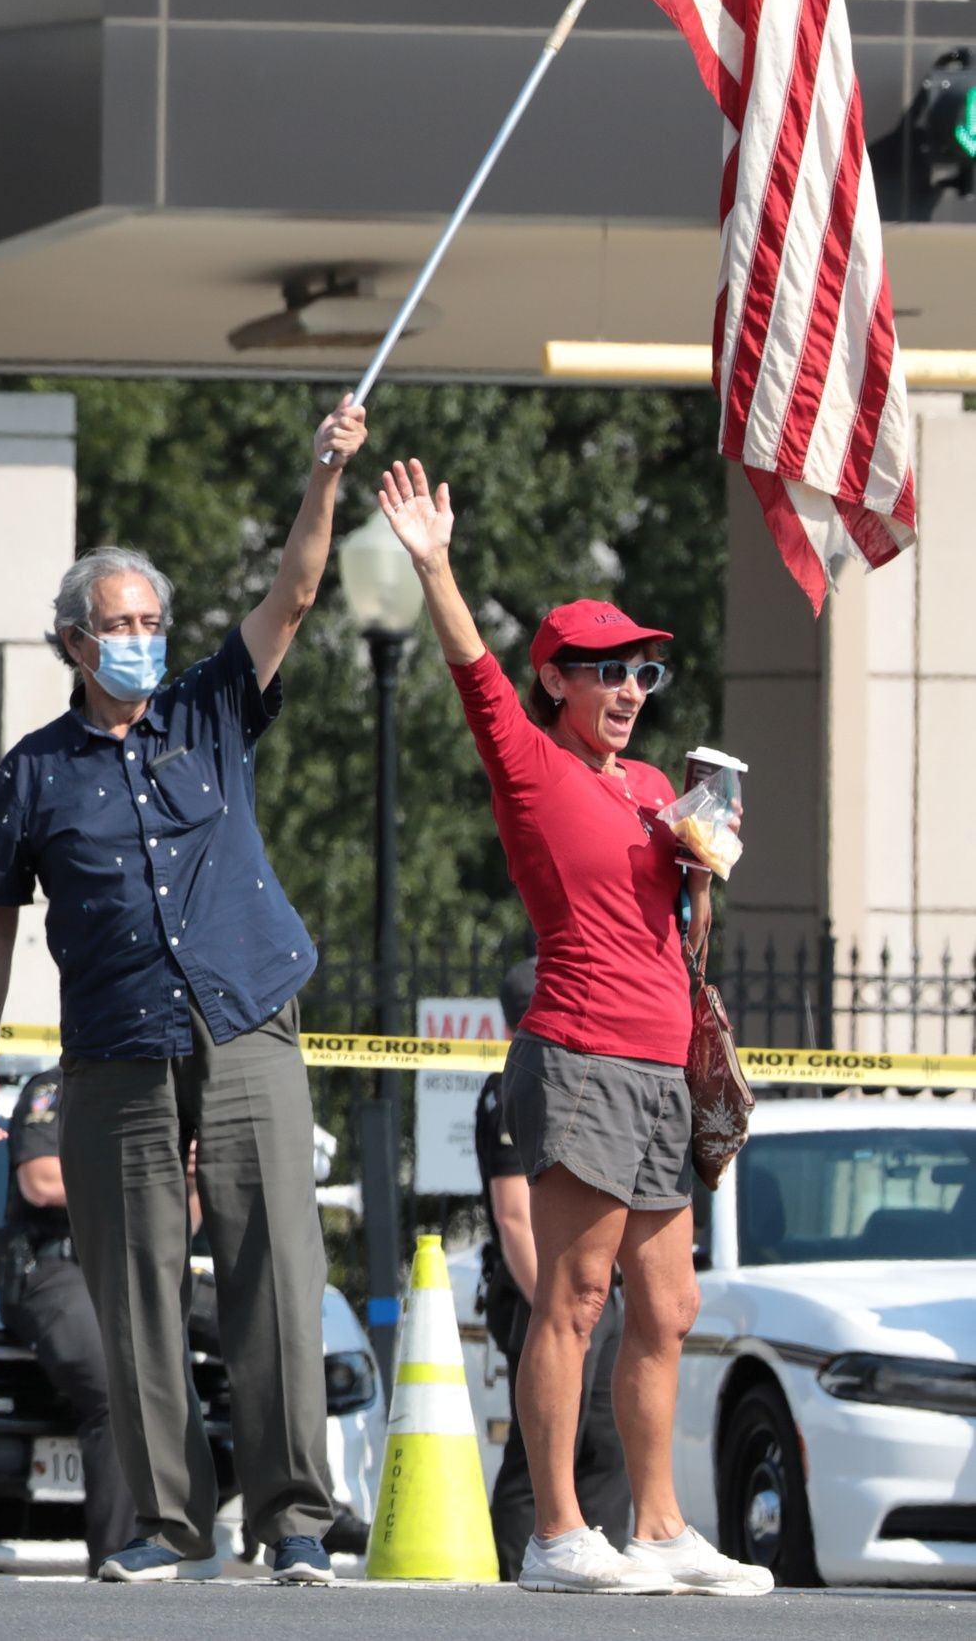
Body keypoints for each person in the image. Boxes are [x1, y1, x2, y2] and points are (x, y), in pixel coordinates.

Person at [0, 396, 365, 1584]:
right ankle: (163, 1524)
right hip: (112, 1045)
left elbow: (291, 591)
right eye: (116, 623)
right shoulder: (29, 769)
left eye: (150, 618)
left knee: (273, 1267)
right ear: (73, 642)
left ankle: (291, 1516)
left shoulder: (207, 708)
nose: (139, 636)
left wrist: (320, 476)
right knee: (129, 1287)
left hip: (243, 1017)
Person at [373, 458, 766, 1596]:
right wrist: (433, 562)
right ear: (554, 679)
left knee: (671, 1301)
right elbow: (468, 671)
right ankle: (554, 1531)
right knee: (575, 1293)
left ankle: (656, 1526)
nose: (630, 685)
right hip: (580, 1048)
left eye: (640, 669)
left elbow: (672, 923)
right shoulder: (531, 762)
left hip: (659, 1062)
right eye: (604, 669)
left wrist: (701, 877)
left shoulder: (652, 785)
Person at [478, 956, 631, 1577]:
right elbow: (514, 1218)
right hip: (544, 1296)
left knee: (604, 1445)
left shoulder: (581, 1076)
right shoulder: (518, 1083)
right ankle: (525, 1570)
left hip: (595, 1294)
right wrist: (559, 1311)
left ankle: (604, 1560)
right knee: (541, 1452)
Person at [0, 1067, 139, 1572]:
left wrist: (187, 1177)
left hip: (134, 1268)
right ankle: (121, 1562)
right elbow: (41, 1179)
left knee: (263, 1336)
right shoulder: (57, 1087)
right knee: (116, 1386)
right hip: (56, 1267)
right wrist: (142, 1175)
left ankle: (301, 1521)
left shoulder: (166, 1086)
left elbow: (185, 1215)